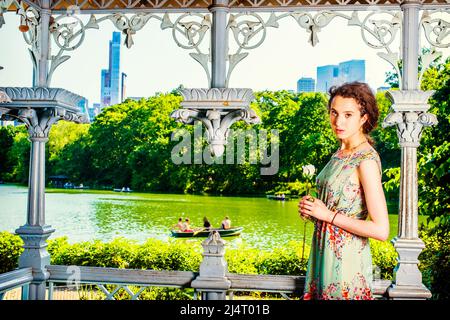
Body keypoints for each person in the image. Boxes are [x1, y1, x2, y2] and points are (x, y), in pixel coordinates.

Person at [298, 82, 389, 300]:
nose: (338, 121)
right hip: (322, 257)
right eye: (334, 113)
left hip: (346, 265)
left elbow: (381, 230)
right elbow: (338, 208)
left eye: (348, 114)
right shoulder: (339, 154)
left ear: (364, 118)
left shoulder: (365, 160)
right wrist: (313, 211)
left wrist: (327, 215)